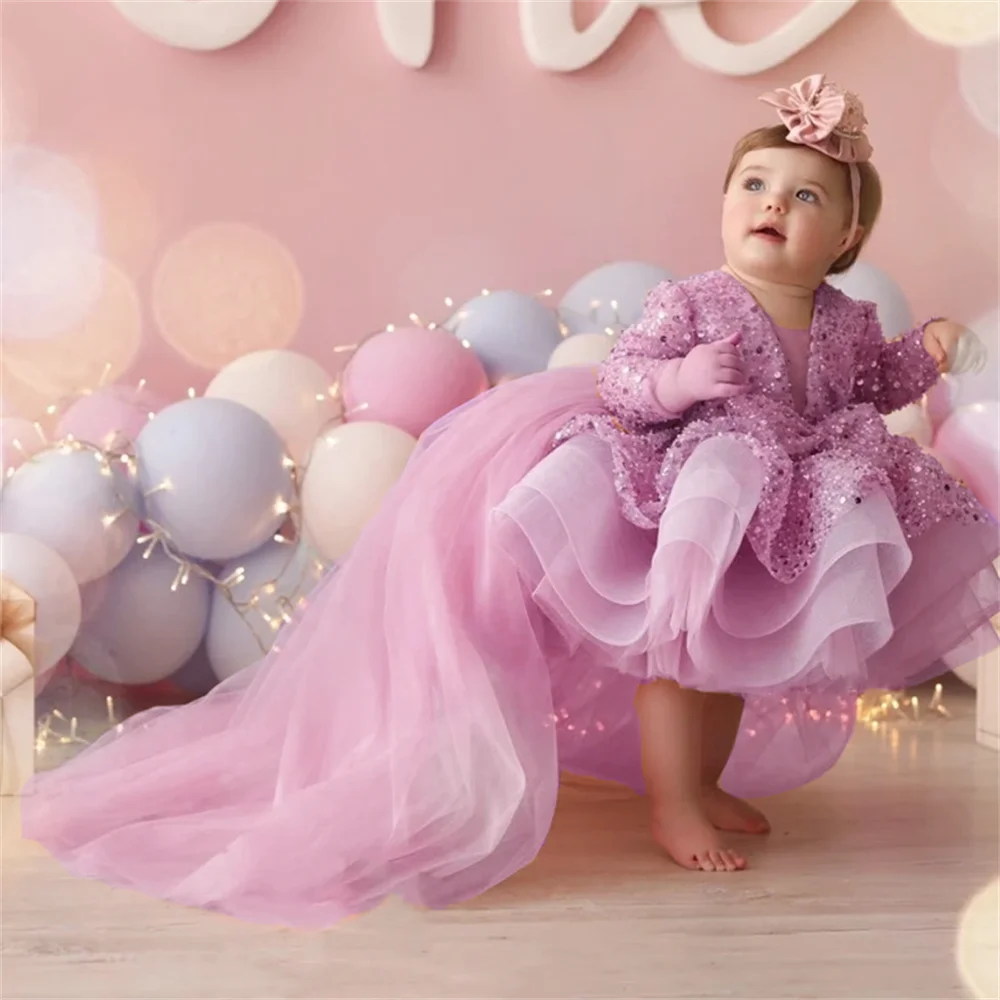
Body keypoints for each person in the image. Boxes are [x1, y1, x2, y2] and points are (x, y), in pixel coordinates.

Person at [23, 74, 999, 926]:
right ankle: (673, 803)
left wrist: (927, 355)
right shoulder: (693, 304)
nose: (771, 205)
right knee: (678, 653)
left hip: (786, 502)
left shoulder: (842, 319)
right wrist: (681, 383)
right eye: (752, 185)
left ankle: (703, 781)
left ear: (847, 235)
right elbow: (626, 382)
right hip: (696, 488)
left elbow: (863, 385)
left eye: (804, 195)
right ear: (721, 204)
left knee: (729, 660)